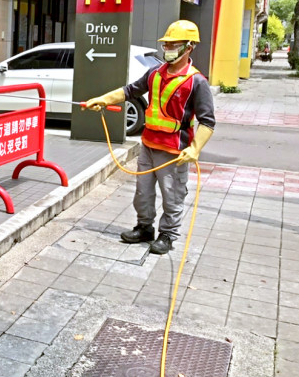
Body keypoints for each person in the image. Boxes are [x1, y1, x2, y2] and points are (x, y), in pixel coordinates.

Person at [84, 20, 216, 255]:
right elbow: (129, 91)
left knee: (172, 195)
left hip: (174, 151)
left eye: (174, 44)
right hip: (148, 144)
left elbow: (207, 122)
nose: (168, 49)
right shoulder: (155, 73)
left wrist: (194, 149)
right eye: (166, 45)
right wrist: (103, 99)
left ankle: (168, 235)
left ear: (189, 47)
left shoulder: (197, 82)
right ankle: (144, 228)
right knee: (142, 192)